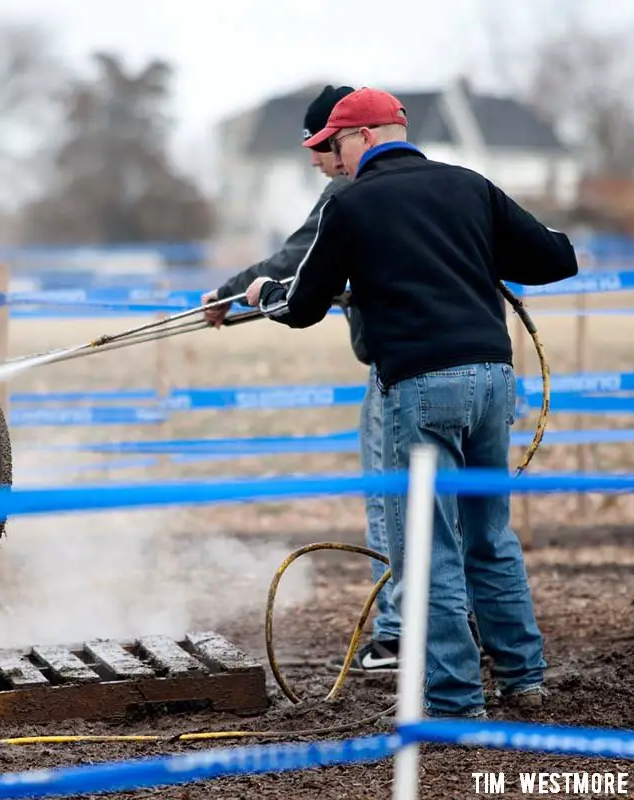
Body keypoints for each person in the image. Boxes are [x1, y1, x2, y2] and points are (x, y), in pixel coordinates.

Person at [244, 87, 579, 718]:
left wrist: (263, 292)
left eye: (335, 144)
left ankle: (453, 699)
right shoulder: (470, 186)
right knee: (489, 535)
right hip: (494, 381)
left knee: (427, 547)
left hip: (421, 387)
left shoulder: (351, 206)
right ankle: (522, 679)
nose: (332, 160)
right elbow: (557, 257)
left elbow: (303, 305)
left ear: (368, 135)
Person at [200, 84, 404, 675]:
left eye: (321, 144)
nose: (314, 159)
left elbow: (296, 265)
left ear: (348, 139)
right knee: (455, 509)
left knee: (390, 506)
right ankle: (461, 627)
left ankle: (396, 633)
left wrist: (230, 295)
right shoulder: (435, 183)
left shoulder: (350, 190)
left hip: (399, 373)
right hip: (477, 368)